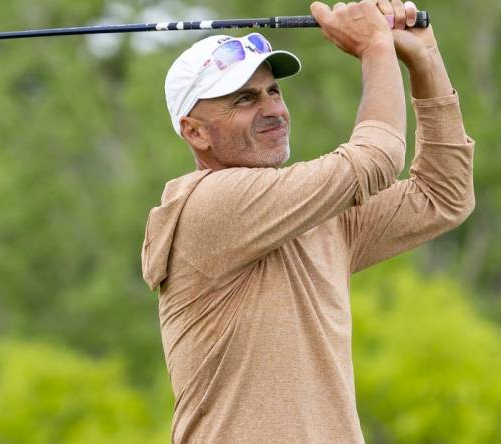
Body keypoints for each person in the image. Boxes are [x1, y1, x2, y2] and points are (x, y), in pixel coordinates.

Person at [140, 0, 475, 442]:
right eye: (244, 98)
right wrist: (375, 47)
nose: (273, 109)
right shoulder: (209, 204)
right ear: (195, 132)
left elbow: (443, 195)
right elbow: (377, 157)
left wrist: (425, 60)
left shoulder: (315, 216)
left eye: (273, 91)